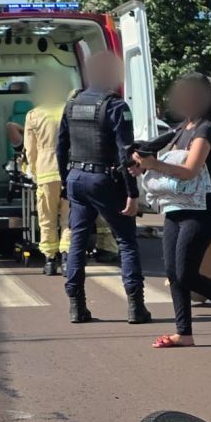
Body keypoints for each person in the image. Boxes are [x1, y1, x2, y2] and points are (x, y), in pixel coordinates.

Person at [135, 73, 211, 348]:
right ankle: (184, 333)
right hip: (175, 207)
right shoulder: (182, 129)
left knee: (186, 273)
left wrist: (154, 165)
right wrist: (141, 162)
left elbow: (189, 171)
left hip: (202, 211)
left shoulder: (206, 129)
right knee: (173, 273)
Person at [57, 51, 151, 325]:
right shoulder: (116, 106)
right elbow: (126, 154)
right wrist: (132, 194)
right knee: (126, 241)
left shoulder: (72, 104)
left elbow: (60, 147)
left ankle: (77, 307)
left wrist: (67, 181)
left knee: (77, 241)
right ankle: (136, 308)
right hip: (105, 180)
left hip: (76, 178)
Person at [22, 73, 70, 275]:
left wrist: (30, 170)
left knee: (47, 217)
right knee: (69, 218)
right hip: (69, 170)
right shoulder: (68, 111)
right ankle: (67, 259)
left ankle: (50, 260)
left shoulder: (34, 115)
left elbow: (29, 149)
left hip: (45, 170)